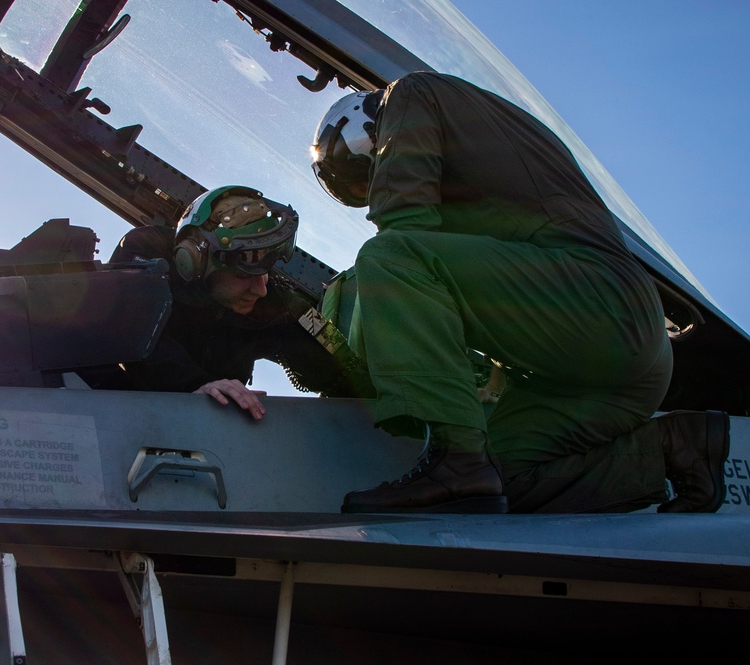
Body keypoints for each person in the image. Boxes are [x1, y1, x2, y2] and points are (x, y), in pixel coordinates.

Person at [310, 71, 729, 514]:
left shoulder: (411, 95)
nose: (372, 192)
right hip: (612, 369)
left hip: (597, 306)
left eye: (366, 180)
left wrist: (389, 341)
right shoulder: (477, 148)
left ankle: (456, 458)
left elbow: (404, 229)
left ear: (362, 133)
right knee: (500, 482)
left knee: (390, 255)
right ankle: (671, 449)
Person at [110, 185, 372, 418]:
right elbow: (129, 325)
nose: (260, 290)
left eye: (265, 272)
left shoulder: (273, 304)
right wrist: (193, 385)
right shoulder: (148, 251)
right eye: (243, 275)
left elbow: (340, 365)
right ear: (192, 263)